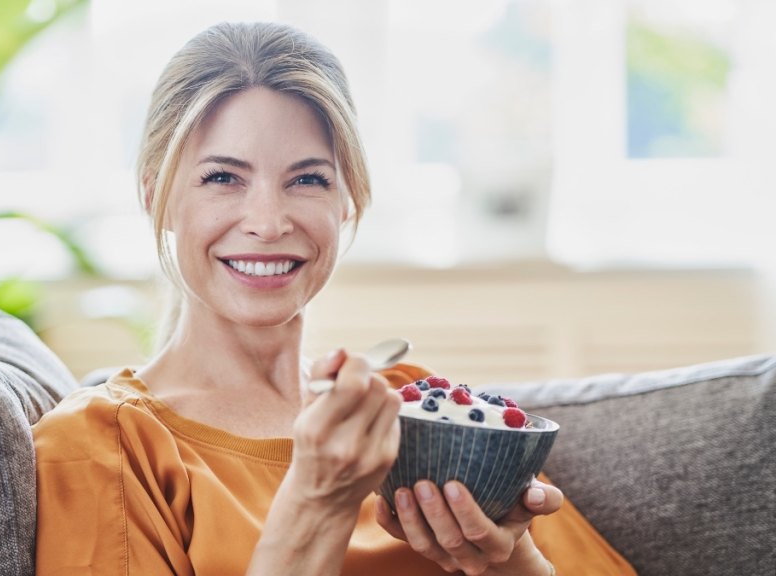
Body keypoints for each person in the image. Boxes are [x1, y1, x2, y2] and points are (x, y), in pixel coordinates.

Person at [33, 21, 636, 576]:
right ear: (155, 197)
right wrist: (316, 501)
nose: (268, 222)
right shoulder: (104, 445)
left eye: (307, 179)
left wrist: (507, 557)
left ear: (347, 201)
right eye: (222, 178)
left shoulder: (412, 406)